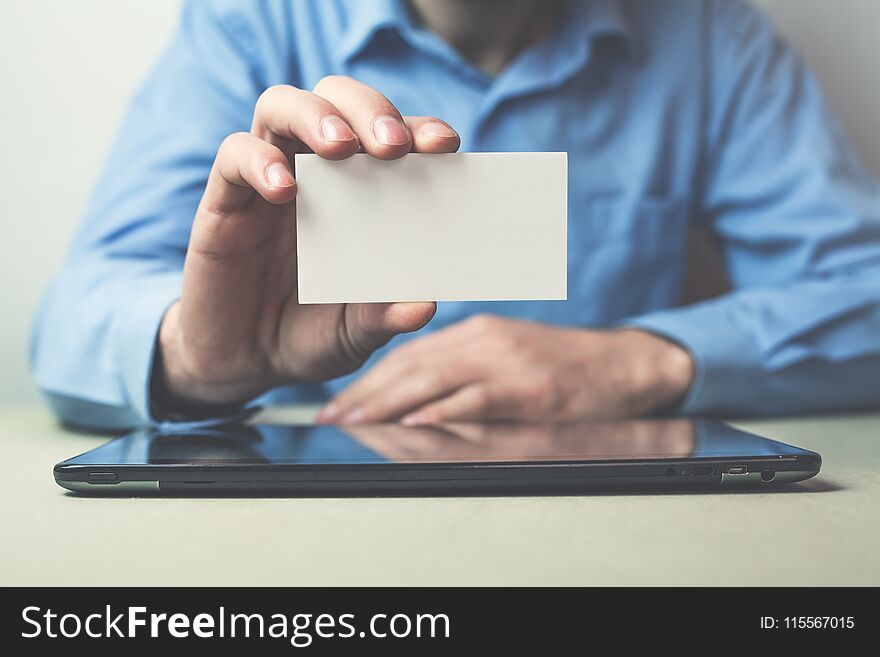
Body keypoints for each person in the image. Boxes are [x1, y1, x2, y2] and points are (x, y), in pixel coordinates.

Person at [31, 0, 880, 431]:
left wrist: (643, 360)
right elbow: (76, 312)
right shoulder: (252, 23)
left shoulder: (708, 35)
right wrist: (194, 356)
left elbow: (862, 291)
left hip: (615, 522)